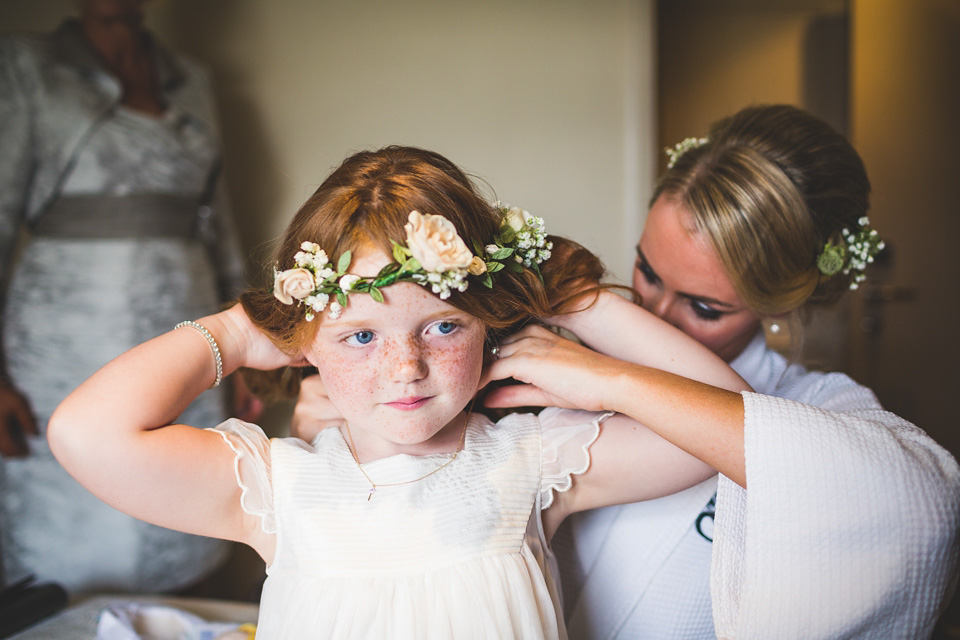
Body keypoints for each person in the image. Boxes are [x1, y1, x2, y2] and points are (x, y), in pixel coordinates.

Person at [47, 145, 752, 638]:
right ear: (306, 343)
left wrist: (570, 300)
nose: (405, 366)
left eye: (443, 326)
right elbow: (85, 434)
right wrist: (234, 333)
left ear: (490, 325)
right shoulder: (278, 489)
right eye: (360, 336)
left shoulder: (534, 464)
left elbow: (736, 422)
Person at [481, 105, 960, 639]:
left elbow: (923, 513)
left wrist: (613, 377)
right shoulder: (548, 368)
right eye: (647, 270)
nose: (656, 315)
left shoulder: (822, 409)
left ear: (776, 305)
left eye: (705, 308)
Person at [0, 0, 252, 593]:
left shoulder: (192, 79)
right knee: (77, 467)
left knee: (181, 465)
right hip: (65, 323)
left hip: (183, 309)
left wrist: (246, 338)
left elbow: (221, 222)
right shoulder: (25, 64)